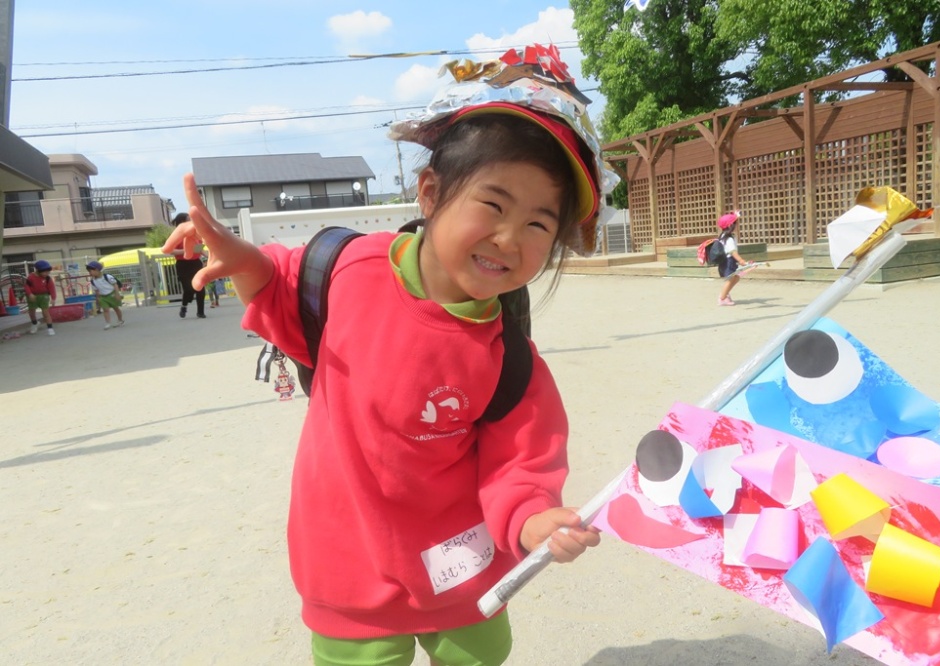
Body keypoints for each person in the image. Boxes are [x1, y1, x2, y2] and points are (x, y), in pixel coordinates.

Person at [163, 44, 614, 666]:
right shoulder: (349, 271)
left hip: (463, 577)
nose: (510, 238)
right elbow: (279, 283)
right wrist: (242, 259)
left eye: (539, 224)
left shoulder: (511, 359)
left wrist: (533, 519)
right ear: (430, 192)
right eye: (493, 205)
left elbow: (521, 462)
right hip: (349, 575)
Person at [169, 212, 207, 318]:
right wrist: (186, 250)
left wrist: (209, 256)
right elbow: (171, 251)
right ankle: (184, 305)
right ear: (182, 222)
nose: (191, 221)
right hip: (183, 265)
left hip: (196, 263)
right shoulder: (176, 235)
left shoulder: (195, 233)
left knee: (200, 287)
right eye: (188, 219)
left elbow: (200, 248)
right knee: (188, 289)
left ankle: (200, 312)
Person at [717, 211, 750, 306]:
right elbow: (733, 252)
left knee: (736, 277)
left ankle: (725, 294)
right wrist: (741, 260)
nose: (736, 225)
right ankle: (722, 298)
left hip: (727, 261)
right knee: (730, 279)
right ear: (730, 225)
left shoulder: (723, 236)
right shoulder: (729, 238)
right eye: (735, 223)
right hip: (728, 261)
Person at [85, 261, 125, 329]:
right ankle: (108, 323)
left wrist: (117, 294)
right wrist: (98, 298)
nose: (89, 273)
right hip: (103, 297)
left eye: (90, 271)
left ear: (97, 270)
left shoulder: (107, 277)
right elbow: (96, 290)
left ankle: (120, 320)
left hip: (112, 294)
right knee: (105, 310)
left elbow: (115, 284)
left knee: (116, 308)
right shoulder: (93, 281)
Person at [25, 259, 57, 336]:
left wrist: (53, 298)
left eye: (48, 272)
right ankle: (34, 323)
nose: (47, 274)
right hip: (33, 296)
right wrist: (30, 294)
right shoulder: (30, 277)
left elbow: (52, 288)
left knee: (45, 312)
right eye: (45, 272)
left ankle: (50, 328)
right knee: (31, 312)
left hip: (44, 296)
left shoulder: (47, 278)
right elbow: (26, 286)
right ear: (38, 270)